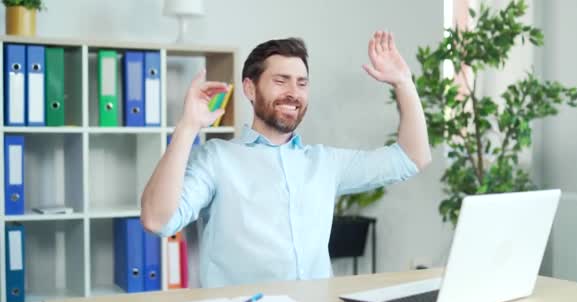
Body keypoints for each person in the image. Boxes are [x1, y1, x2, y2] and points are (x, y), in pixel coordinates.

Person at [141, 30, 432, 288]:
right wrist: (187, 127)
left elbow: (412, 157)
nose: (294, 93)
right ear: (250, 89)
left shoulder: (324, 163)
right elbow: (157, 220)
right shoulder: (217, 158)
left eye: (302, 83)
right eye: (281, 81)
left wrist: (403, 82)